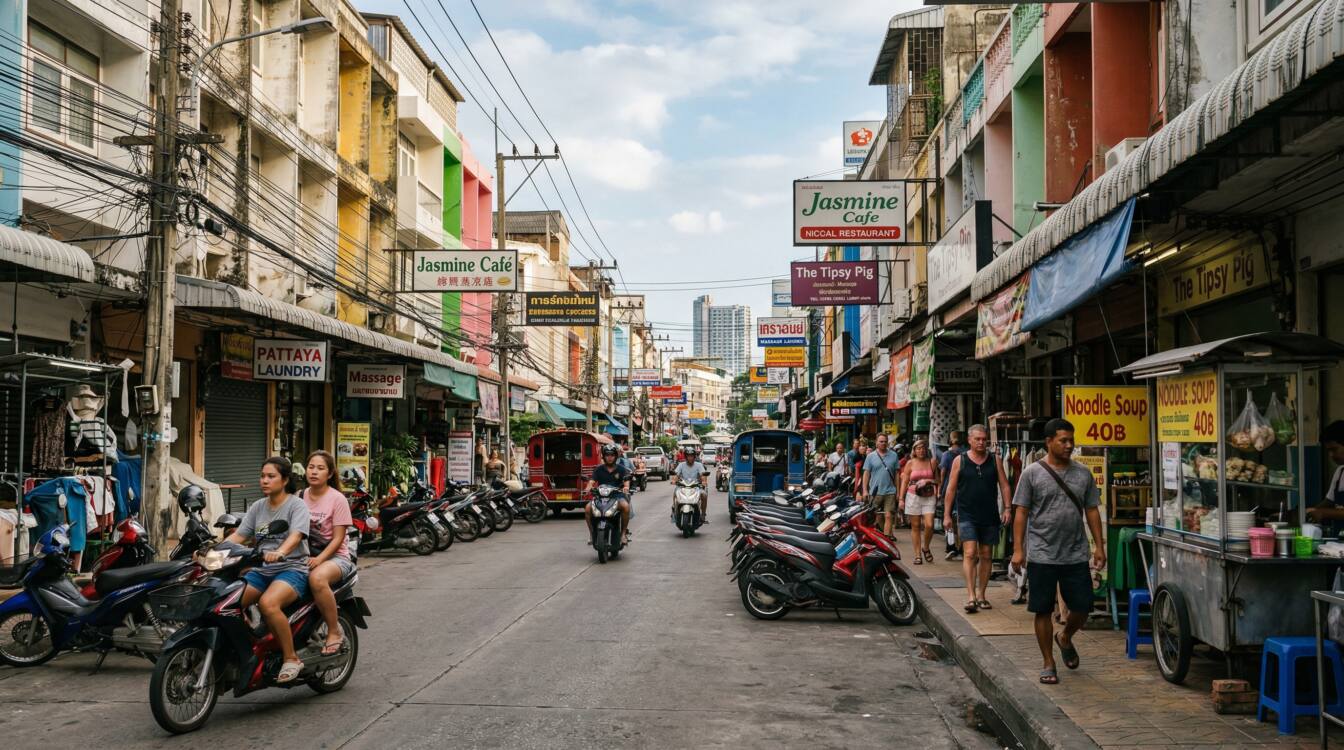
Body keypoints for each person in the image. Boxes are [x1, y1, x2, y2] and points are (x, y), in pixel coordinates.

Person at [1009, 419, 1105, 686]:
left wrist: (1099, 546)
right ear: (1048, 442)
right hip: (1041, 552)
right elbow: (1021, 513)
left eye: (1071, 440)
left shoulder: (1083, 473)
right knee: (1042, 608)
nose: (1069, 445)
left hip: (1075, 551)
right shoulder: (1031, 473)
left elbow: (1092, 510)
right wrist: (1018, 550)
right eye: (1063, 440)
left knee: (1083, 606)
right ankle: (1048, 662)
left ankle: (1064, 637)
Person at [225, 457, 311, 683]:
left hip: (292, 568)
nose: (264, 480)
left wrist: (281, 551)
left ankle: (291, 658)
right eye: (262, 476)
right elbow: (239, 536)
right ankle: (247, 649)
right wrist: (213, 549)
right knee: (227, 602)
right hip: (262, 569)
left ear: (284, 480)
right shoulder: (257, 507)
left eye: (270, 476)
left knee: (268, 604)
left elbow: (296, 536)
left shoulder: (296, 505)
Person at [942, 425, 1011, 615]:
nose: (981, 442)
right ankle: (971, 596)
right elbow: (951, 489)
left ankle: (982, 594)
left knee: (987, 554)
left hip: (989, 515)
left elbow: (1004, 486)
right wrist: (947, 515)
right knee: (970, 553)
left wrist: (1007, 508)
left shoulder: (995, 460)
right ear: (970, 441)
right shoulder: (960, 460)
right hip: (966, 514)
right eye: (978, 439)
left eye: (984, 439)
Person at [301, 450, 354, 657]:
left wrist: (320, 559)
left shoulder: (337, 499)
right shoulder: (300, 496)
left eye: (320, 468)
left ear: (330, 474)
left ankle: (334, 631)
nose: (314, 472)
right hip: (305, 555)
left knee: (317, 578)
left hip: (336, 558)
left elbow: (338, 538)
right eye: (311, 467)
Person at [898, 439, 941, 564]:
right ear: (914, 451)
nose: (921, 450)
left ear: (926, 450)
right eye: (918, 448)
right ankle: (917, 555)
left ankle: (926, 547)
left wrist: (928, 481)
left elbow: (938, 481)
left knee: (929, 525)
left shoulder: (932, 462)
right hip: (913, 496)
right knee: (915, 526)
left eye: (923, 448)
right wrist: (901, 499)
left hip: (929, 495)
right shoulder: (910, 463)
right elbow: (904, 481)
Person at [586, 443, 632, 544]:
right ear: (604, 456)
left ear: (616, 456)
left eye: (612, 455)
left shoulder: (621, 469)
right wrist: (588, 488)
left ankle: (623, 534)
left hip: (617, 496)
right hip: (600, 497)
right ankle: (591, 534)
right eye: (607, 455)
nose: (610, 457)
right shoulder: (599, 469)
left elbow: (626, 481)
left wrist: (626, 487)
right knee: (588, 508)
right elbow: (591, 481)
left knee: (625, 507)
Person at [859, 433, 902, 538]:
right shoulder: (870, 456)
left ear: (888, 442)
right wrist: (865, 490)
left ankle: (887, 539)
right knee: (876, 516)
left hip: (890, 491)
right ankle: (883, 535)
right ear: (876, 443)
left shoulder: (894, 455)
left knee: (888, 515)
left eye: (885, 441)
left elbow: (897, 475)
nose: (883, 443)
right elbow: (866, 474)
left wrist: (898, 492)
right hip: (875, 491)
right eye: (881, 441)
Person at [1306, 421, 1344, 534]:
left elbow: (1325, 510)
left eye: (1334, 449)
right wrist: (1310, 511)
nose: (1331, 455)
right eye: (1328, 451)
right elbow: (1329, 501)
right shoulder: (1340, 472)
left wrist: (1323, 512)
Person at [939, 430, 967, 561]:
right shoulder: (966, 453)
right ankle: (961, 547)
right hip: (963, 489)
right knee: (960, 519)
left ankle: (951, 547)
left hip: (949, 489)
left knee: (948, 518)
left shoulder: (946, 455)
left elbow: (943, 473)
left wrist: (940, 490)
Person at [672, 446, 709, 522]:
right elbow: (676, 475)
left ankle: (703, 514)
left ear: (694, 456)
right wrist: (674, 480)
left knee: (704, 495)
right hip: (683, 486)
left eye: (691, 456)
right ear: (686, 456)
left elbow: (703, 475)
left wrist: (704, 481)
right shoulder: (681, 465)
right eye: (688, 456)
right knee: (675, 492)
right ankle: (674, 510)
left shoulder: (699, 465)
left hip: (695, 487)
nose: (690, 458)